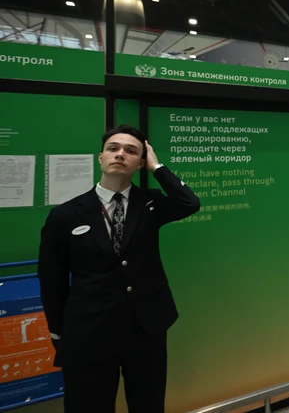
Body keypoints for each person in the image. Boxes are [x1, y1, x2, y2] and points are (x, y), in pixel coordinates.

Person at [38, 125, 201, 412]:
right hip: (90, 329)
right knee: (88, 405)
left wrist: (156, 167)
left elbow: (189, 202)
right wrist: (57, 330)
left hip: (145, 326)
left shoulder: (150, 203)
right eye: (113, 148)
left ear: (140, 162)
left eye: (131, 151)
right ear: (100, 157)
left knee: (148, 404)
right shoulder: (66, 214)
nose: (120, 154)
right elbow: (52, 279)